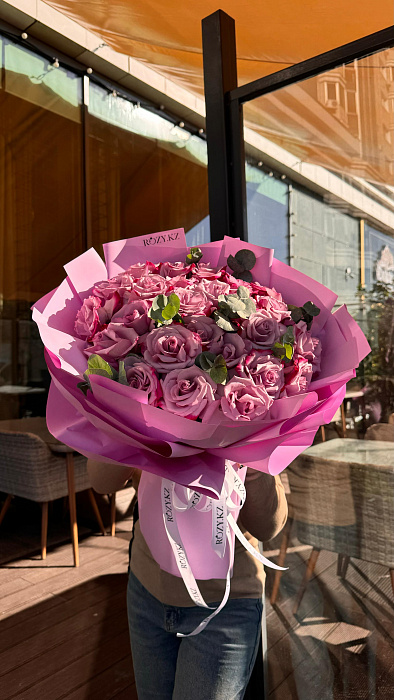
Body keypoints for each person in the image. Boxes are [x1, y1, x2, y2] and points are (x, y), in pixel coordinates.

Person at [87, 461, 288, 700]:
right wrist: (123, 430)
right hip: (146, 592)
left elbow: (268, 527)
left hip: (225, 607)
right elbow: (101, 481)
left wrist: (250, 455)